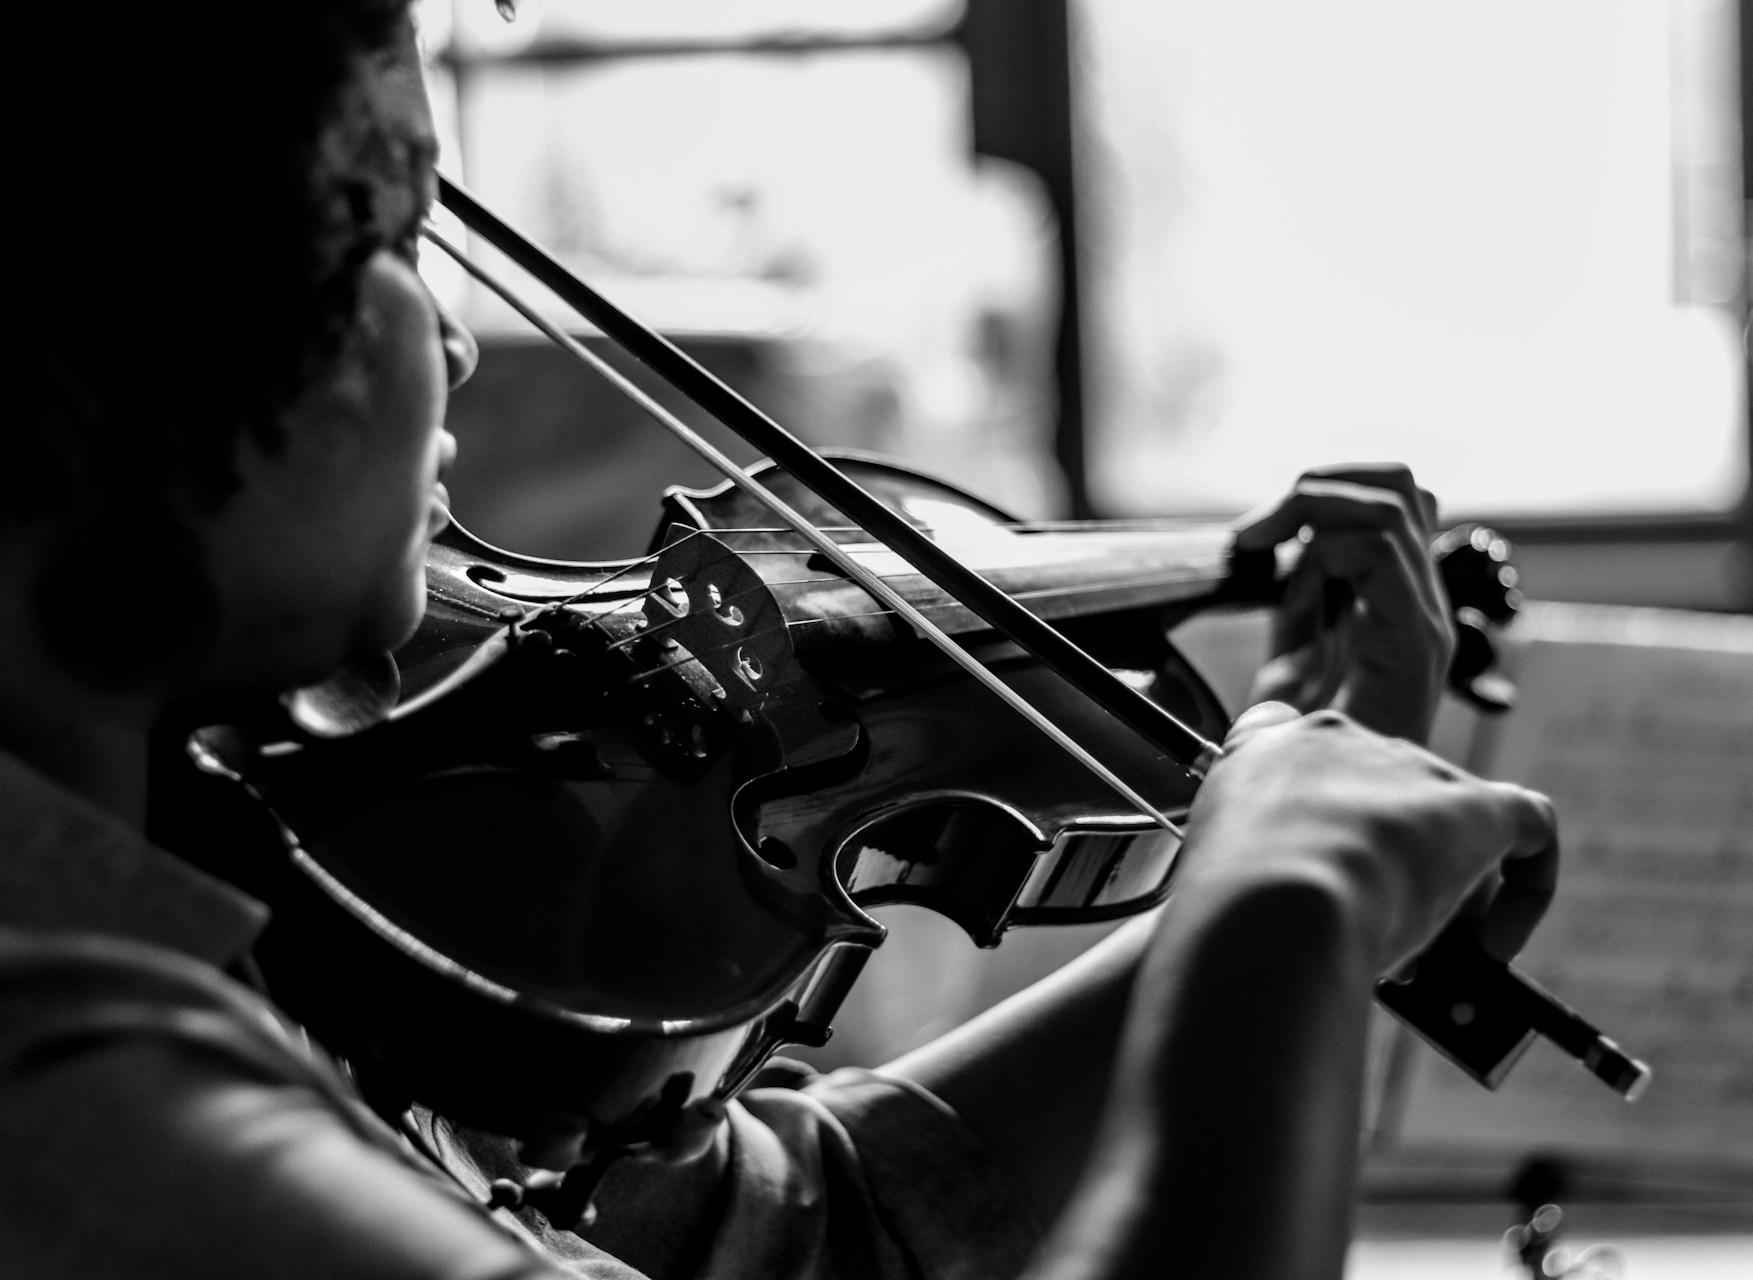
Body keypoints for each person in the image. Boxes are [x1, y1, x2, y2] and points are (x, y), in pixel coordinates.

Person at [0, 4, 1557, 1277]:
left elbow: (824, 1232)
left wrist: (1237, 876)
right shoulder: (72, 1097)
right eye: (390, 232)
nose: (458, 339)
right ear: (97, 367)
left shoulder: (229, 920)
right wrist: (1282, 917)